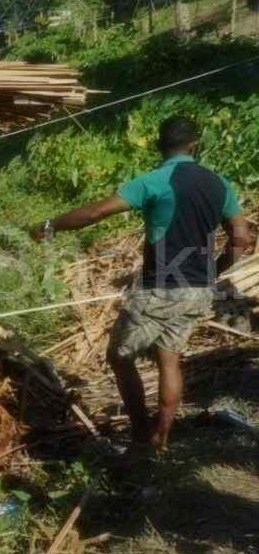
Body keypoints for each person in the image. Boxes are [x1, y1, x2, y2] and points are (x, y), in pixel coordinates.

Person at [30, 116, 251, 451]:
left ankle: (140, 438)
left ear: (161, 146)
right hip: (197, 291)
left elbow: (94, 213)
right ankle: (160, 439)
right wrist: (214, 273)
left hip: (160, 288)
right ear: (195, 144)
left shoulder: (153, 181)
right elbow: (241, 237)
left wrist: (49, 224)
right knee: (169, 359)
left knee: (120, 357)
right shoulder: (219, 183)